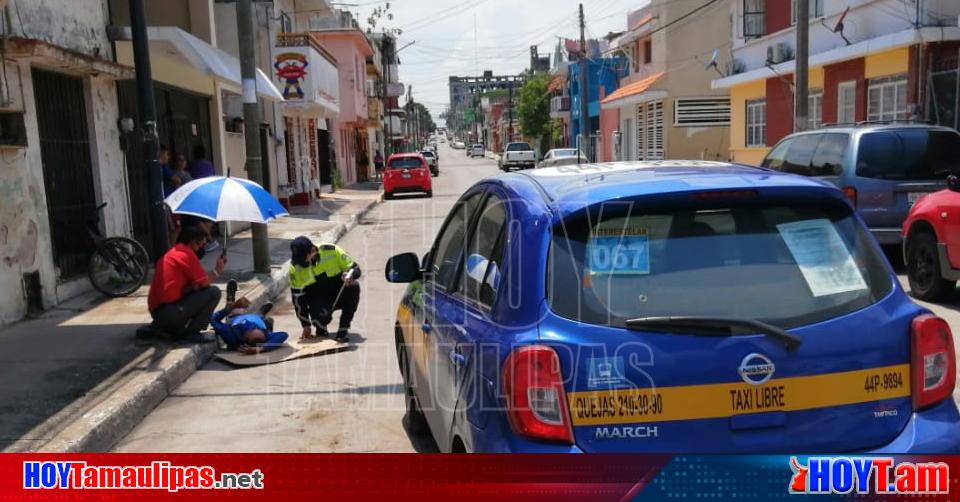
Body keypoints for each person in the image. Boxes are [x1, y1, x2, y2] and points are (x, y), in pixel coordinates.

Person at [144, 225, 226, 341]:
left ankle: (173, 327)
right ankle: (193, 332)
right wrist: (217, 270)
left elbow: (193, 284)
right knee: (213, 292)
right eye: (200, 245)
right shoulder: (185, 254)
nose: (200, 249)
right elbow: (205, 283)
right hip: (167, 311)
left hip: (159, 311)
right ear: (192, 242)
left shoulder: (174, 252)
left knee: (198, 290)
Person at [289, 236, 361, 342]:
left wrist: (350, 276)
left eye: (303, 258)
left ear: (313, 250)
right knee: (319, 317)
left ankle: (343, 329)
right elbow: (298, 300)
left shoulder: (332, 251)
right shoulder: (295, 268)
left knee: (354, 287)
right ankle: (321, 328)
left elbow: (356, 269)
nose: (301, 263)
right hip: (318, 298)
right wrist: (305, 325)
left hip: (339, 292)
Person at [211, 296, 288, 355]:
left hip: (235, 318)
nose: (253, 325)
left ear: (245, 338)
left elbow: (213, 319)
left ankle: (231, 304)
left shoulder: (231, 335)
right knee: (263, 320)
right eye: (256, 328)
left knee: (237, 310)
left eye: (252, 328)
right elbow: (284, 334)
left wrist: (225, 311)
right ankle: (261, 313)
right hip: (256, 317)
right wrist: (261, 349)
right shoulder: (265, 335)